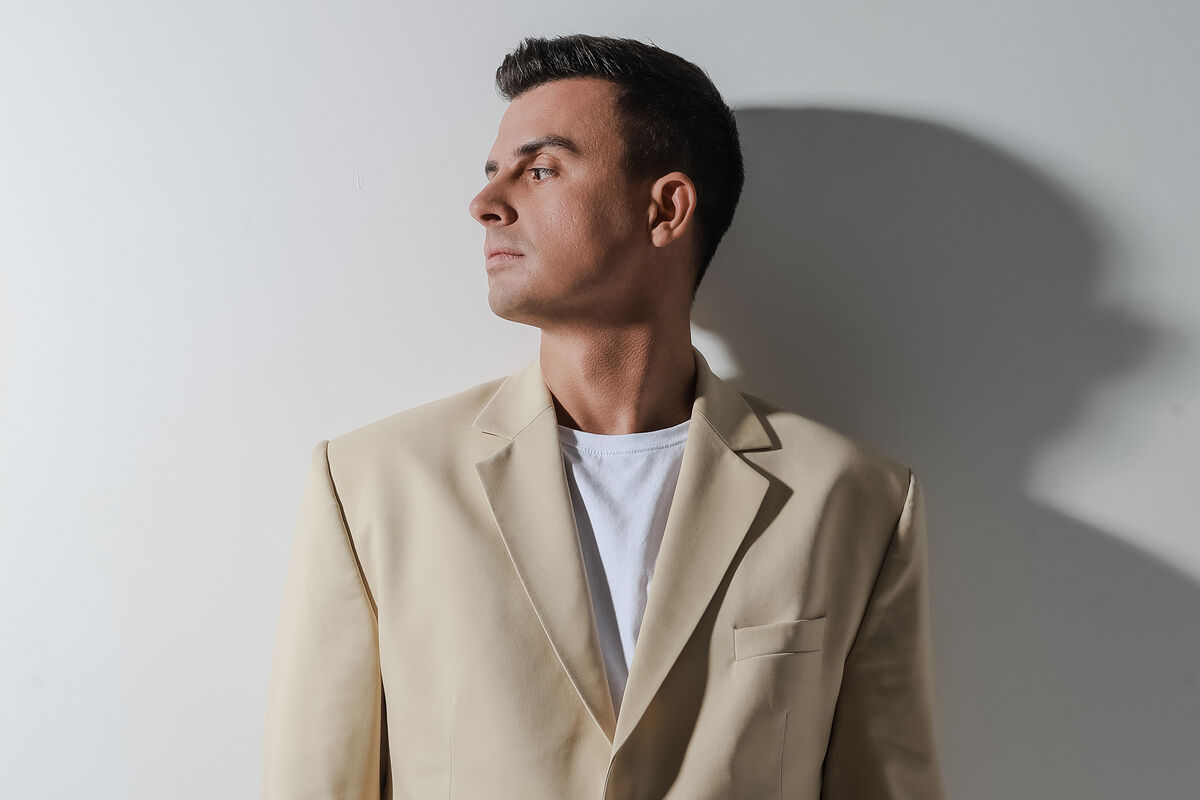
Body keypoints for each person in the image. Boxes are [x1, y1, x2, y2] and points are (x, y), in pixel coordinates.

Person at [262, 33, 946, 800]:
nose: (486, 205)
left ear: (666, 208)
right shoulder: (372, 484)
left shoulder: (854, 498)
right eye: (493, 174)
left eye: (540, 170)